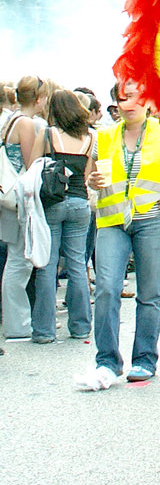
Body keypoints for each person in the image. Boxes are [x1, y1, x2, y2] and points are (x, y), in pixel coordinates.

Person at [74, 79, 160, 389]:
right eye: (121, 98)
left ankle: (144, 359)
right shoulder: (104, 136)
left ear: (148, 100)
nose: (128, 103)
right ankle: (107, 362)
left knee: (149, 294)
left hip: (154, 219)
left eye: (134, 96)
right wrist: (94, 183)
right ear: (115, 104)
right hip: (113, 221)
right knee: (107, 289)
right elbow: (90, 177)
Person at [29, 89, 94, 344]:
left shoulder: (47, 135)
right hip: (80, 203)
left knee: (47, 265)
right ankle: (80, 327)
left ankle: (44, 331)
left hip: (53, 203)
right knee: (78, 264)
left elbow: (33, 167)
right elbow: (88, 174)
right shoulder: (89, 138)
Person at [1, 76, 51, 341]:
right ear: (40, 98)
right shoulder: (27, 124)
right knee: (19, 261)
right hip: (20, 197)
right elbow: (33, 164)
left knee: (15, 258)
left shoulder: (10, 119)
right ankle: (18, 324)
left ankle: (15, 322)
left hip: (8, 195)